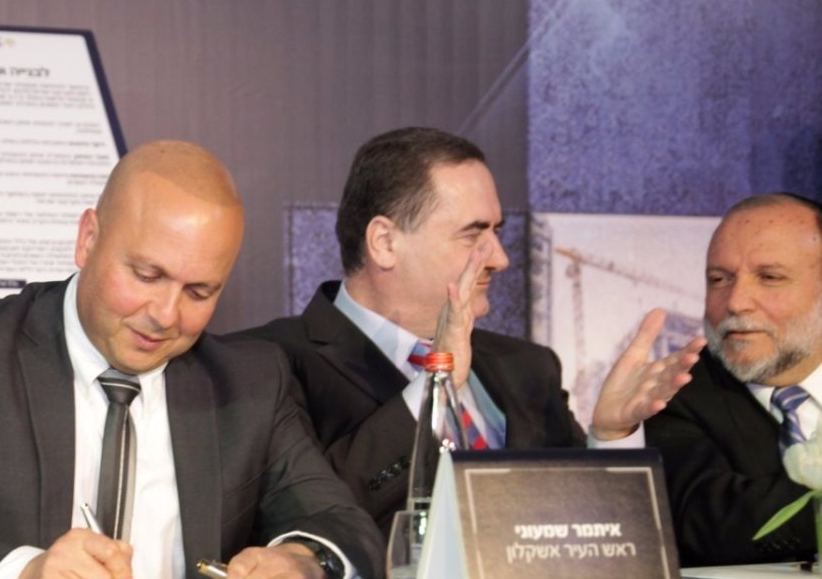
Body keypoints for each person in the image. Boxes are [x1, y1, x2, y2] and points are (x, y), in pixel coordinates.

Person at [0, 140, 383, 579]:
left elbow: (344, 526)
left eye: (199, 292)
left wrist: (301, 561)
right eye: (147, 275)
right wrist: (24, 576)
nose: (165, 315)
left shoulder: (249, 384)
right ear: (88, 239)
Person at [239, 127, 702, 532]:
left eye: (496, 232)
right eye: (473, 234)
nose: (499, 258)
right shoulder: (265, 366)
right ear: (384, 242)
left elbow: (584, 530)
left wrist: (612, 436)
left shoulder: (527, 368)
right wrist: (436, 386)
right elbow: (309, 519)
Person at [647, 193, 822, 566]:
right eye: (719, 279)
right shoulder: (672, 394)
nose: (736, 301)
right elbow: (711, 525)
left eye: (769, 277)